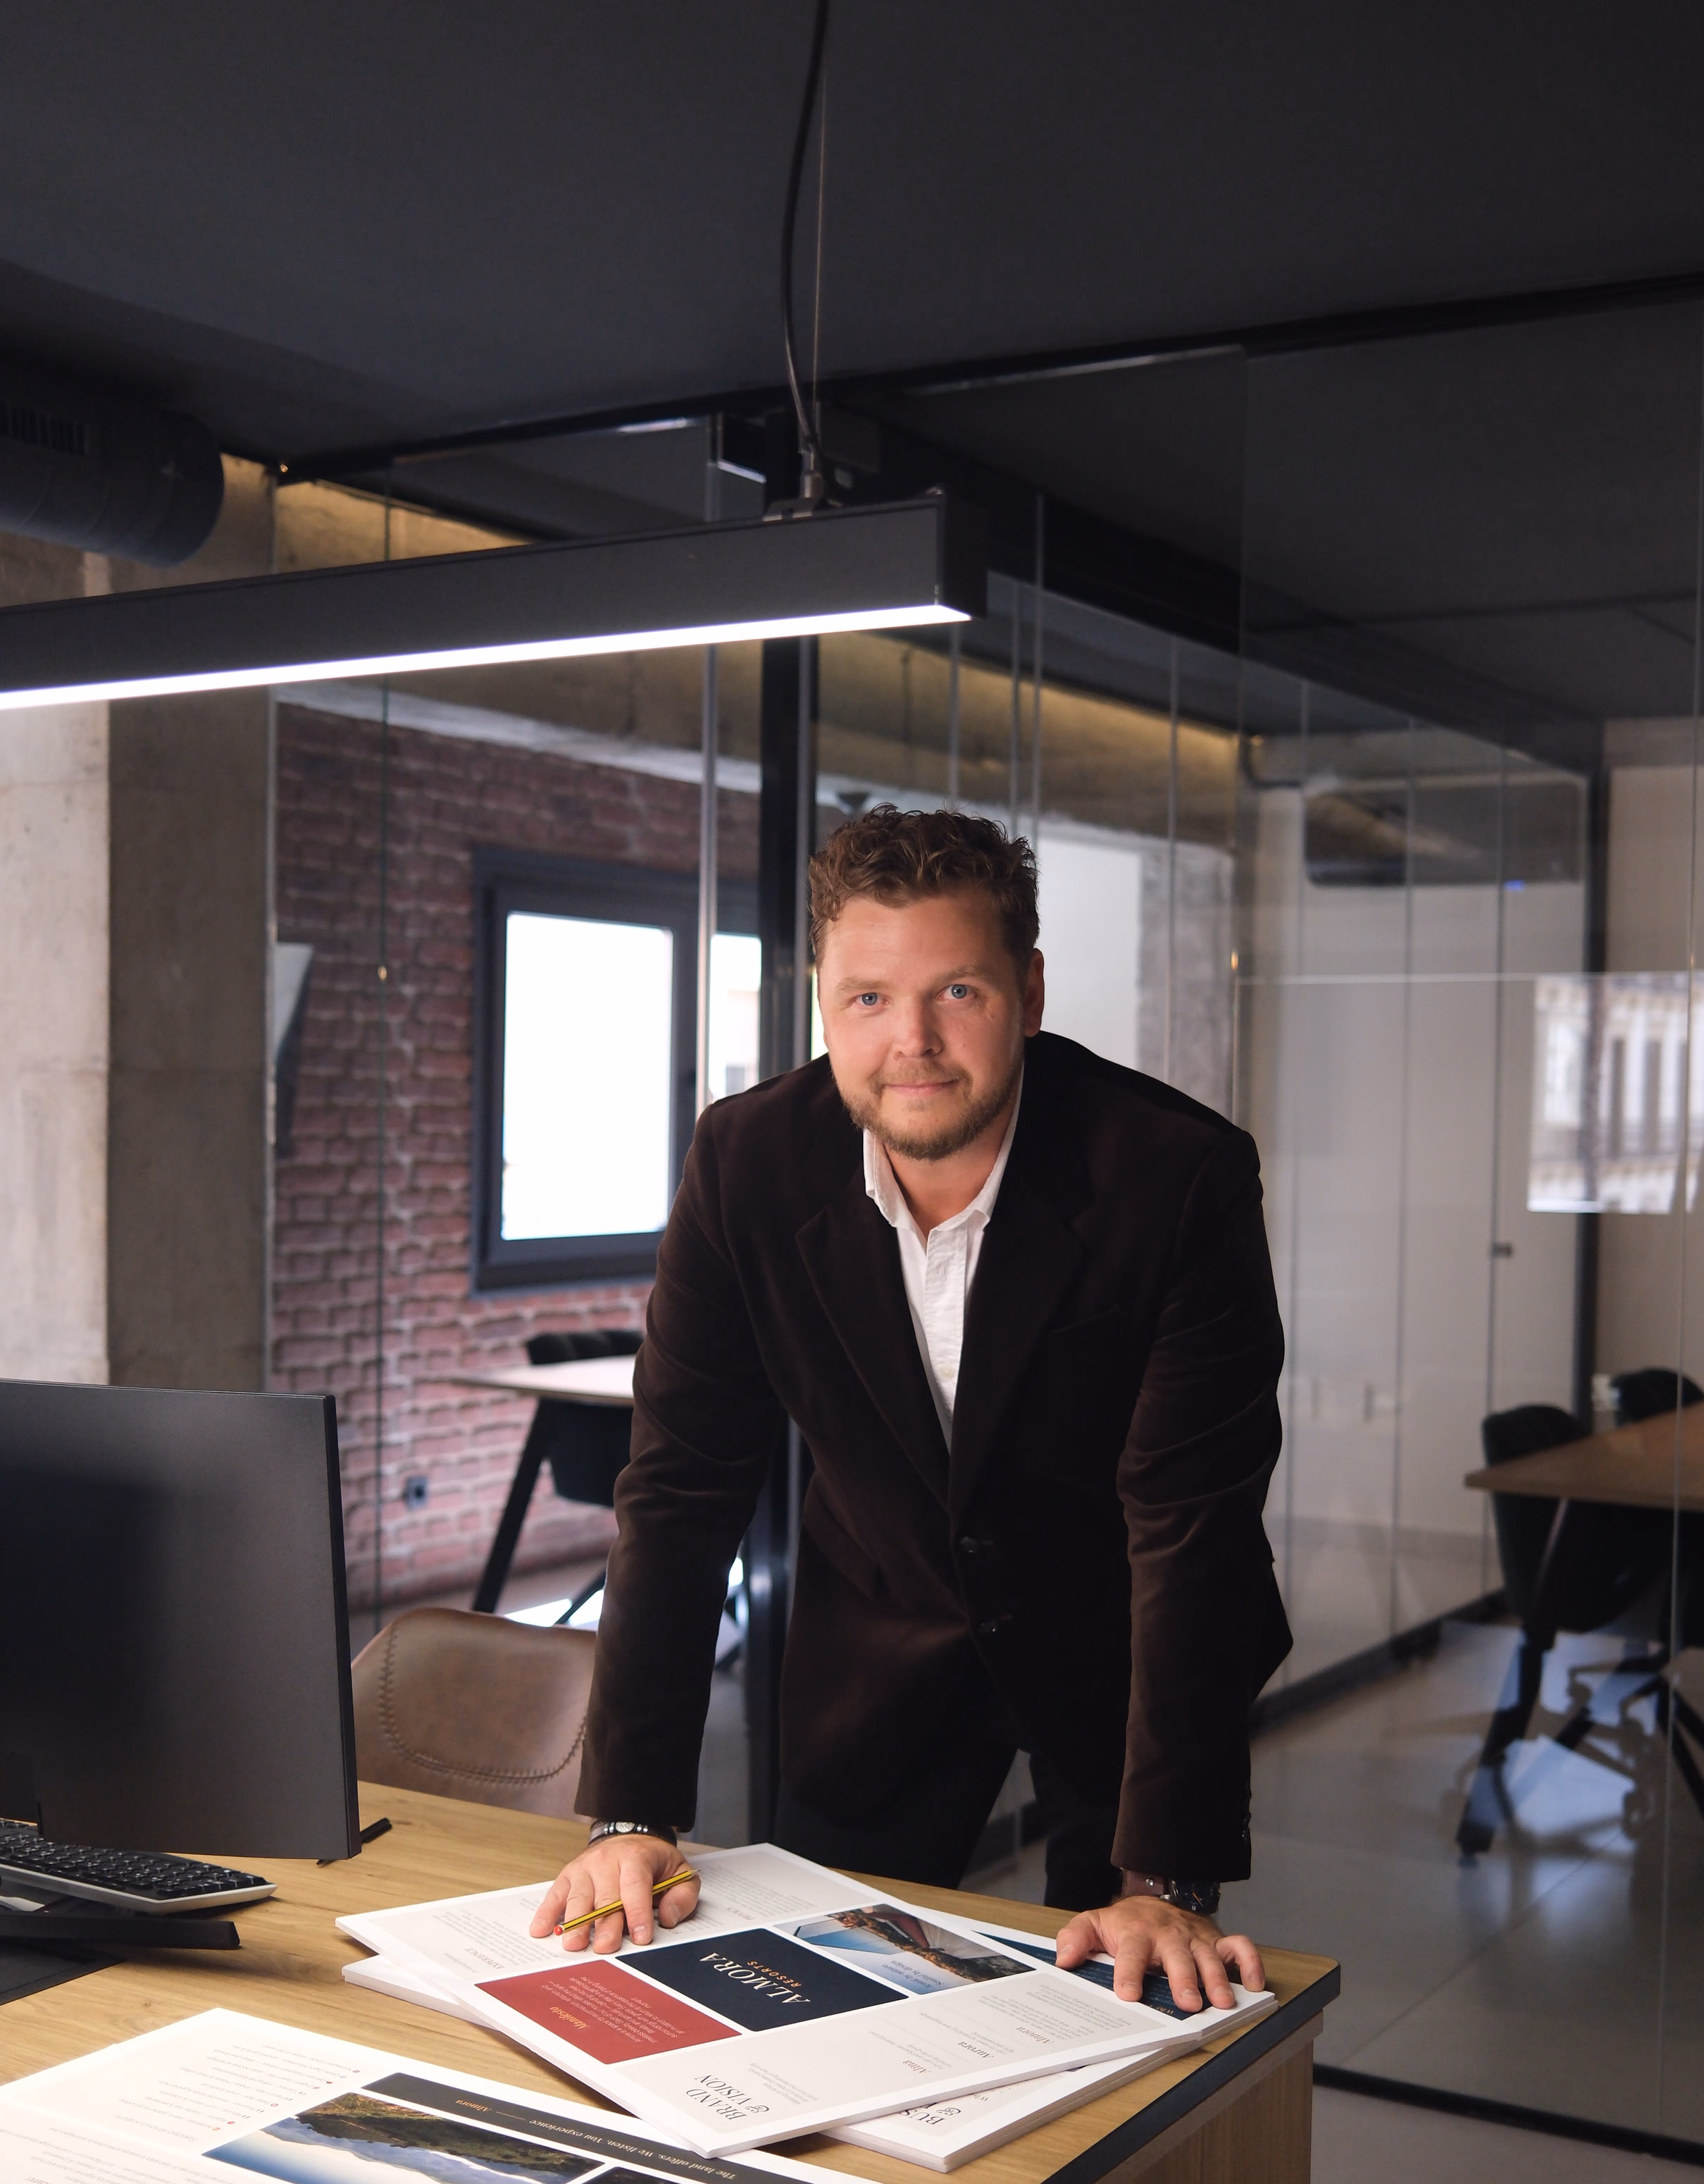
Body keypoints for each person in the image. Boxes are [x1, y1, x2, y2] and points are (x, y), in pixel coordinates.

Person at [531, 806, 1291, 2012]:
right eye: (870, 999)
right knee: (810, 1996)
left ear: (1031, 991)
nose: (914, 1044)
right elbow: (679, 1488)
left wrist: (1168, 1875)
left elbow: (1193, 1520)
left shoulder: (1177, 1176)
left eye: (960, 994)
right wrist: (631, 1812)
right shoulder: (746, 1162)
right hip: (876, 1634)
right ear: (822, 1000)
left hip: (1124, 1644)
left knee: (1125, 1996)